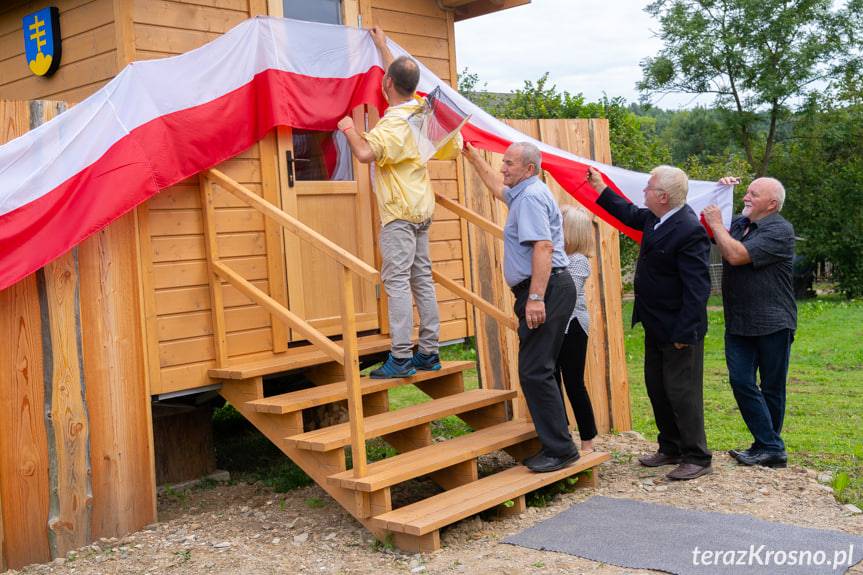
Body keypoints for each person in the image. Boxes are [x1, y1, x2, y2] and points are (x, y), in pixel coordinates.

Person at [337, 27, 460, 379]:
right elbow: (402, 84)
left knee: (397, 282)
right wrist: (381, 47)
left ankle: (402, 357)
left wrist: (347, 127)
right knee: (421, 278)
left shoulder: (391, 127)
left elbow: (363, 153)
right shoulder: (423, 111)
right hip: (421, 210)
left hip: (399, 215)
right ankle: (429, 352)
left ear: (386, 83)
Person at [587, 165, 713, 480]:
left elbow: (698, 289)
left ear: (662, 196)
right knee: (658, 388)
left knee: (682, 391)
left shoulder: (689, 229)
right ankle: (670, 446)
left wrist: (685, 332)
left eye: (648, 187)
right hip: (655, 324)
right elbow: (627, 213)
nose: (643, 192)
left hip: (679, 329)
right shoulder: (655, 219)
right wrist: (600, 187)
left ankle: (697, 455)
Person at [463, 141, 580, 473]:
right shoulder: (526, 190)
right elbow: (499, 189)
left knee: (534, 370)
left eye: (509, 163)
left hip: (545, 288)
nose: (503, 168)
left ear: (530, 168)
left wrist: (536, 298)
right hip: (550, 287)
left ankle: (560, 450)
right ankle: (559, 444)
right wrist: (472, 158)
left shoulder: (529, 198)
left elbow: (542, 247)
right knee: (540, 368)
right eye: (503, 162)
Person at [702, 177, 796, 469]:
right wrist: (720, 191)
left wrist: (718, 225)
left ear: (772, 204)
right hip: (740, 322)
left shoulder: (780, 230)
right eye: (746, 191)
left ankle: (766, 446)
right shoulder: (740, 225)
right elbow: (708, 227)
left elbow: (735, 255)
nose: (747, 197)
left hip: (773, 321)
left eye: (754, 194)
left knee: (771, 387)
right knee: (741, 381)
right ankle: (769, 446)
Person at [556, 205, 598, 453]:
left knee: (573, 382)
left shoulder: (577, 260)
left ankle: (587, 440)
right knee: (553, 380)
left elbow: (565, 295)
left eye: (560, 225)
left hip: (572, 327)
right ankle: (562, 435)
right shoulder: (559, 258)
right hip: (555, 327)